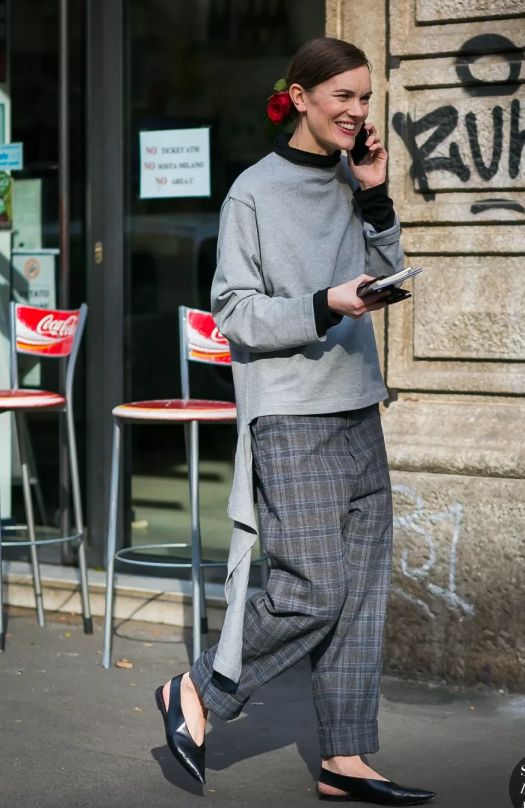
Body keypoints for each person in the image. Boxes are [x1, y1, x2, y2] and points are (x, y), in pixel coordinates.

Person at [155, 36, 436, 806]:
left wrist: (375, 195)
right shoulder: (253, 192)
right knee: (312, 588)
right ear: (301, 96)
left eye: (364, 97)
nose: (355, 110)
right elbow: (234, 314)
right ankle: (197, 690)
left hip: (355, 401)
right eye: (341, 95)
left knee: (359, 590)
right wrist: (324, 304)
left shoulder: (353, 180)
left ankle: (343, 758)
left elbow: (385, 265)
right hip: (290, 410)